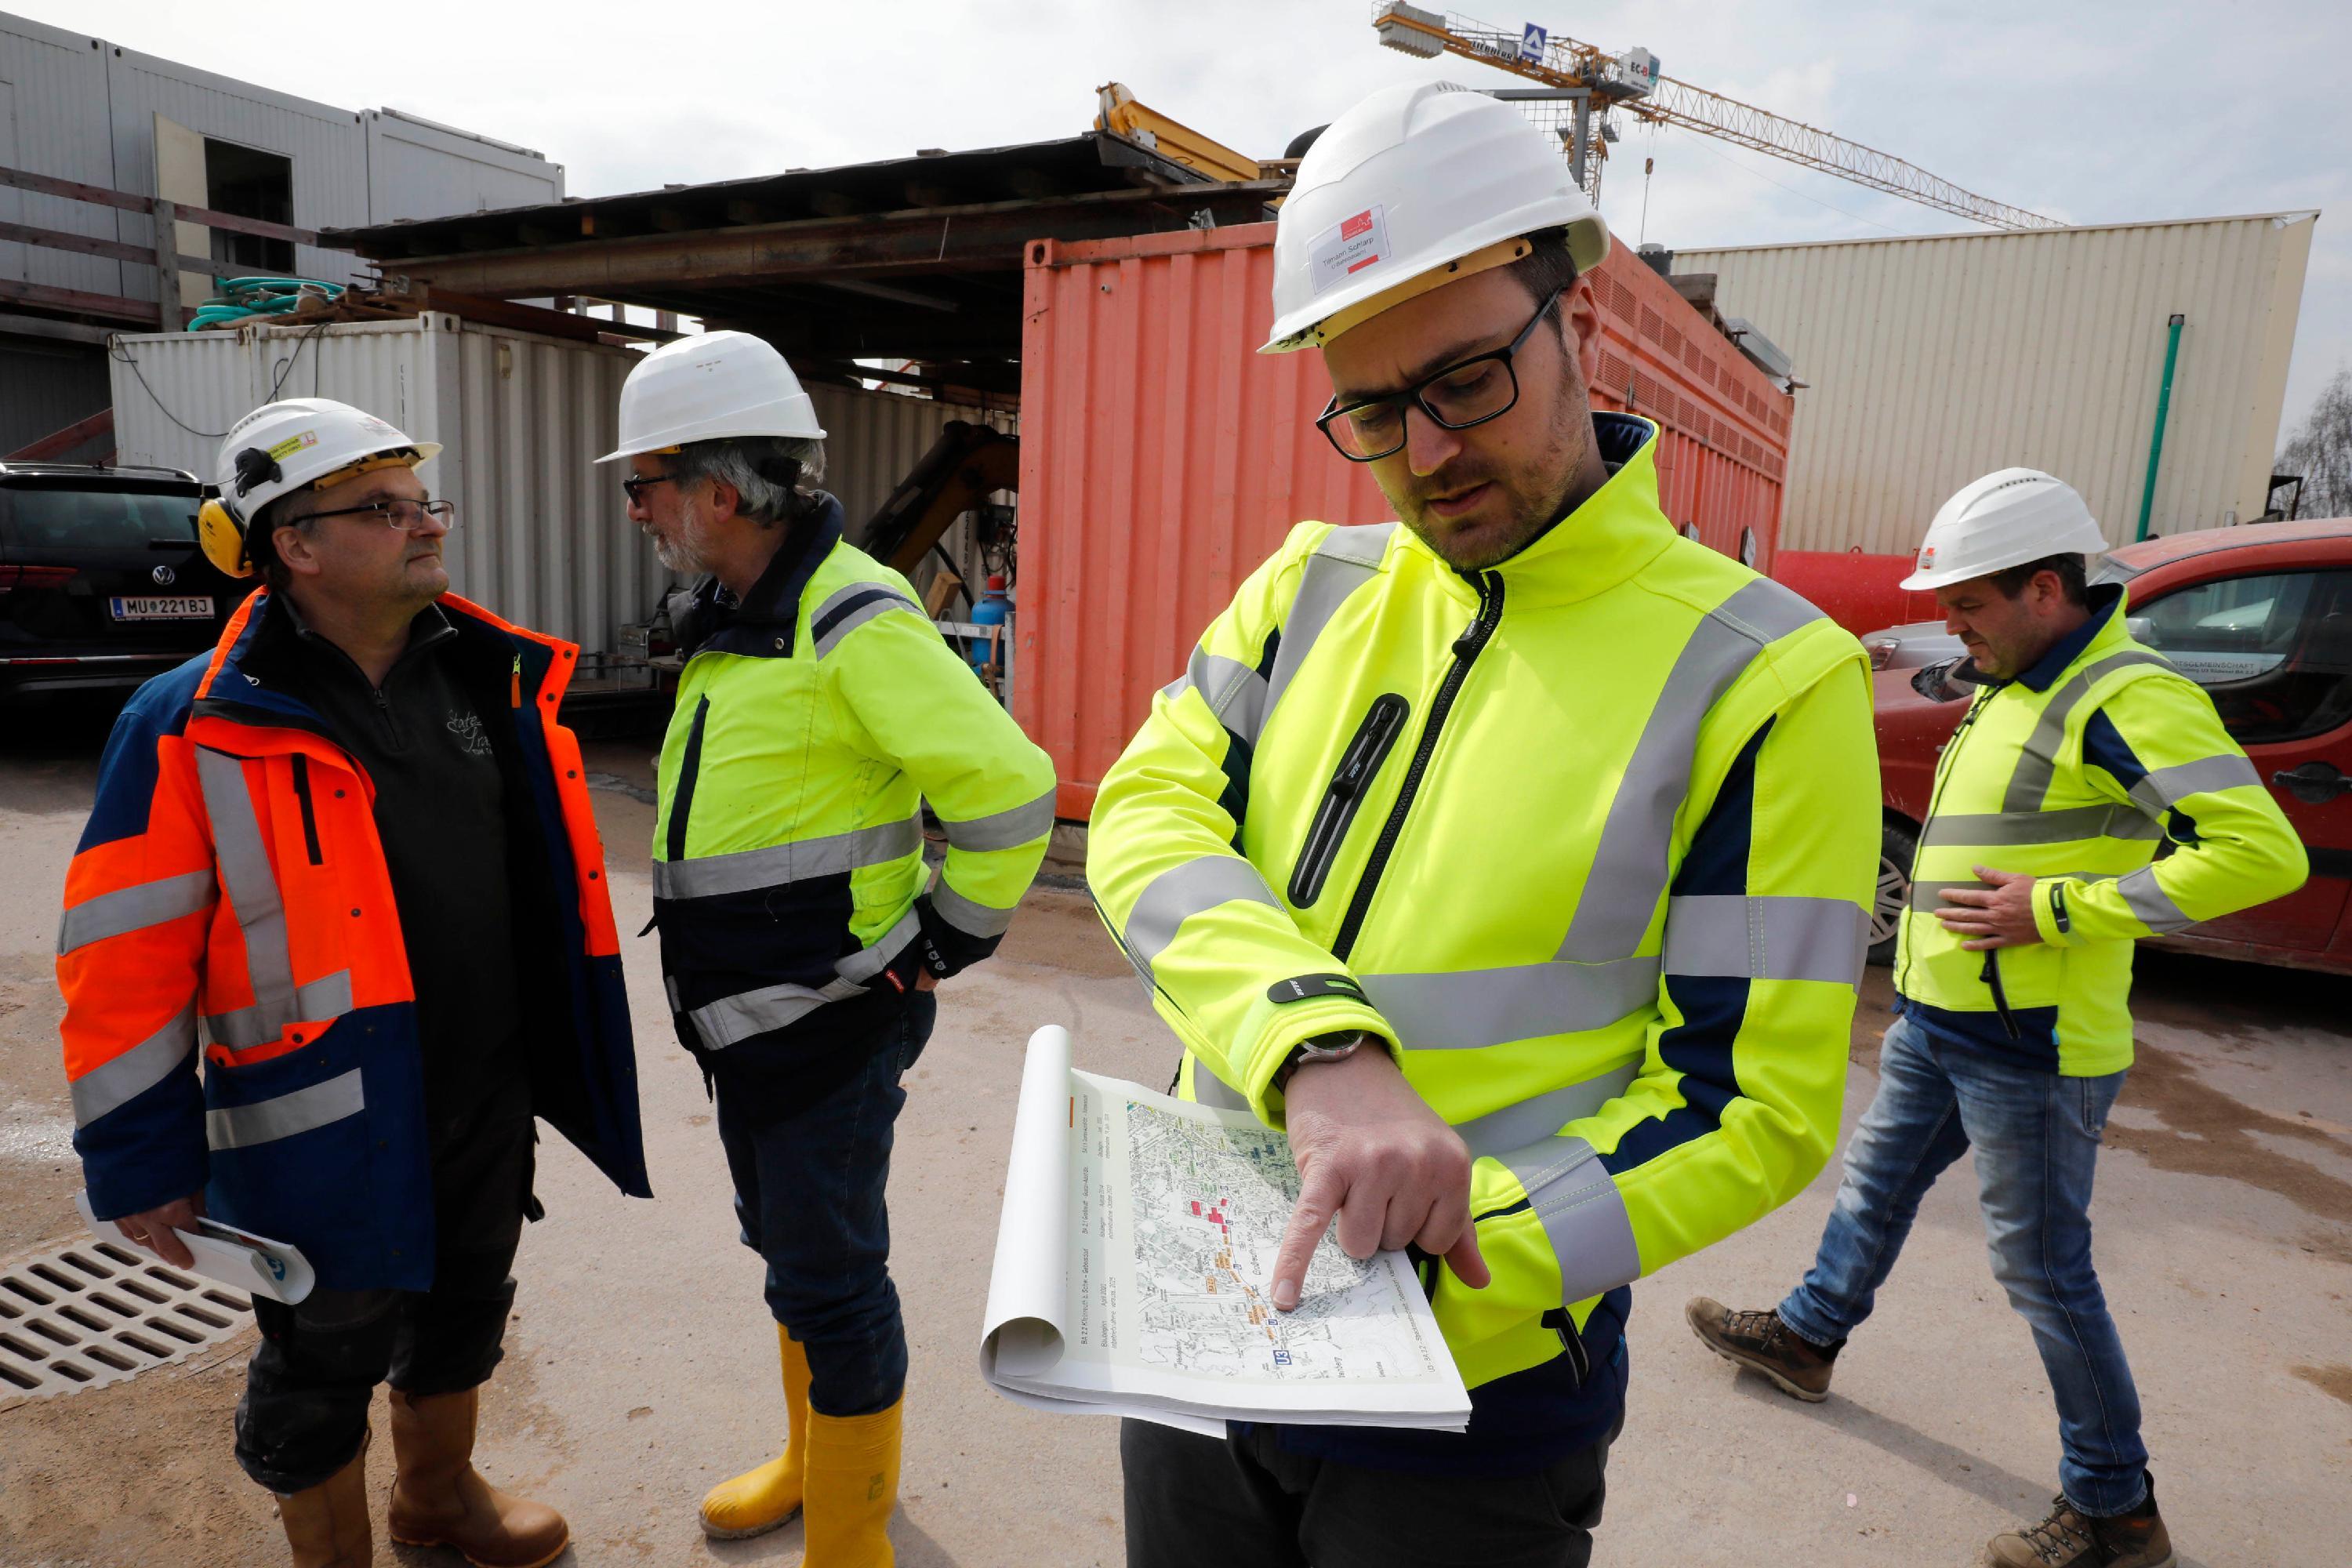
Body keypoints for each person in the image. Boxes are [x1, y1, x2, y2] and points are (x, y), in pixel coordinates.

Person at [1085, 82, 1879, 1568]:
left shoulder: (1759, 678)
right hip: (1209, 1323)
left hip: (1472, 1390)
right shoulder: (1308, 588)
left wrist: (1455, 1251)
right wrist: (1321, 1051)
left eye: (1465, 381)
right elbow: (1141, 818)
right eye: (1374, 410)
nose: (1430, 453)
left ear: (1574, 314)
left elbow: (1745, 1104)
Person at [59, 397, 648, 1568]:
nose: (425, 525)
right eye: (382, 509)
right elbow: (123, 951)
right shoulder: (190, 723)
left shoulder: (489, 680)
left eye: (420, 500)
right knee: (324, 1349)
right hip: (317, 1113)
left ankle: (438, 1502)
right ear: (294, 543)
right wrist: (135, 1152)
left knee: (471, 1297)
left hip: (485, 1084)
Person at [1686, 467, 2308, 1568]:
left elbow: (2261, 851)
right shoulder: (2015, 679)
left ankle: (2117, 1509)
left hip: (2034, 1042)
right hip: (1947, 1021)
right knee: (1872, 1193)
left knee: (2043, 1268)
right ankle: (1807, 1336)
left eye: (1969, 605)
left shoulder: (2126, 696)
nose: (1952, 626)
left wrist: (2062, 908)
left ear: (2046, 591)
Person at [605, 331, 1057, 1565]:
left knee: (836, 1282)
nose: (637, 505)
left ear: (719, 489)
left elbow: (1011, 790)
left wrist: (942, 943)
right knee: (794, 1257)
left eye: (645, 480)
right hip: (754, 1023)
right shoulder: (748, 612)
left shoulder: (846, 612)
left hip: (828, 1019)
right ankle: (816, 1467)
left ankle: (851, 1542)